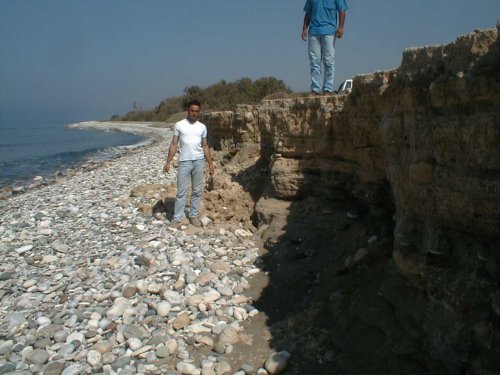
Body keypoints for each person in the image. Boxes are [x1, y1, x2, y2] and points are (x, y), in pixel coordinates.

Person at [164, 100, 215, 227]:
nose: (194, 113)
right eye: (192, 110)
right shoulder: (179, 125)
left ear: (199, 112)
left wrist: (210, 163)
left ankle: (193, 216)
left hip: (199, 161)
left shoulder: (202, 127)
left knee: (197, 191)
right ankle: (177, 217)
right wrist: (168, 162)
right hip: (184, 161)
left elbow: (205, 146)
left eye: (196, 111)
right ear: (188, 110)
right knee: (181, 191)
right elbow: (174, 143)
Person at [301, 0, 348, 94]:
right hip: (313, 32)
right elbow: (308, 13)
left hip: (329, 32)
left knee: (329, 61)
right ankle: (315, 89)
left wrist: (341, 27)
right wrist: (304, 29)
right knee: (314, 62)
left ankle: (328, 88)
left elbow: (342, 11)